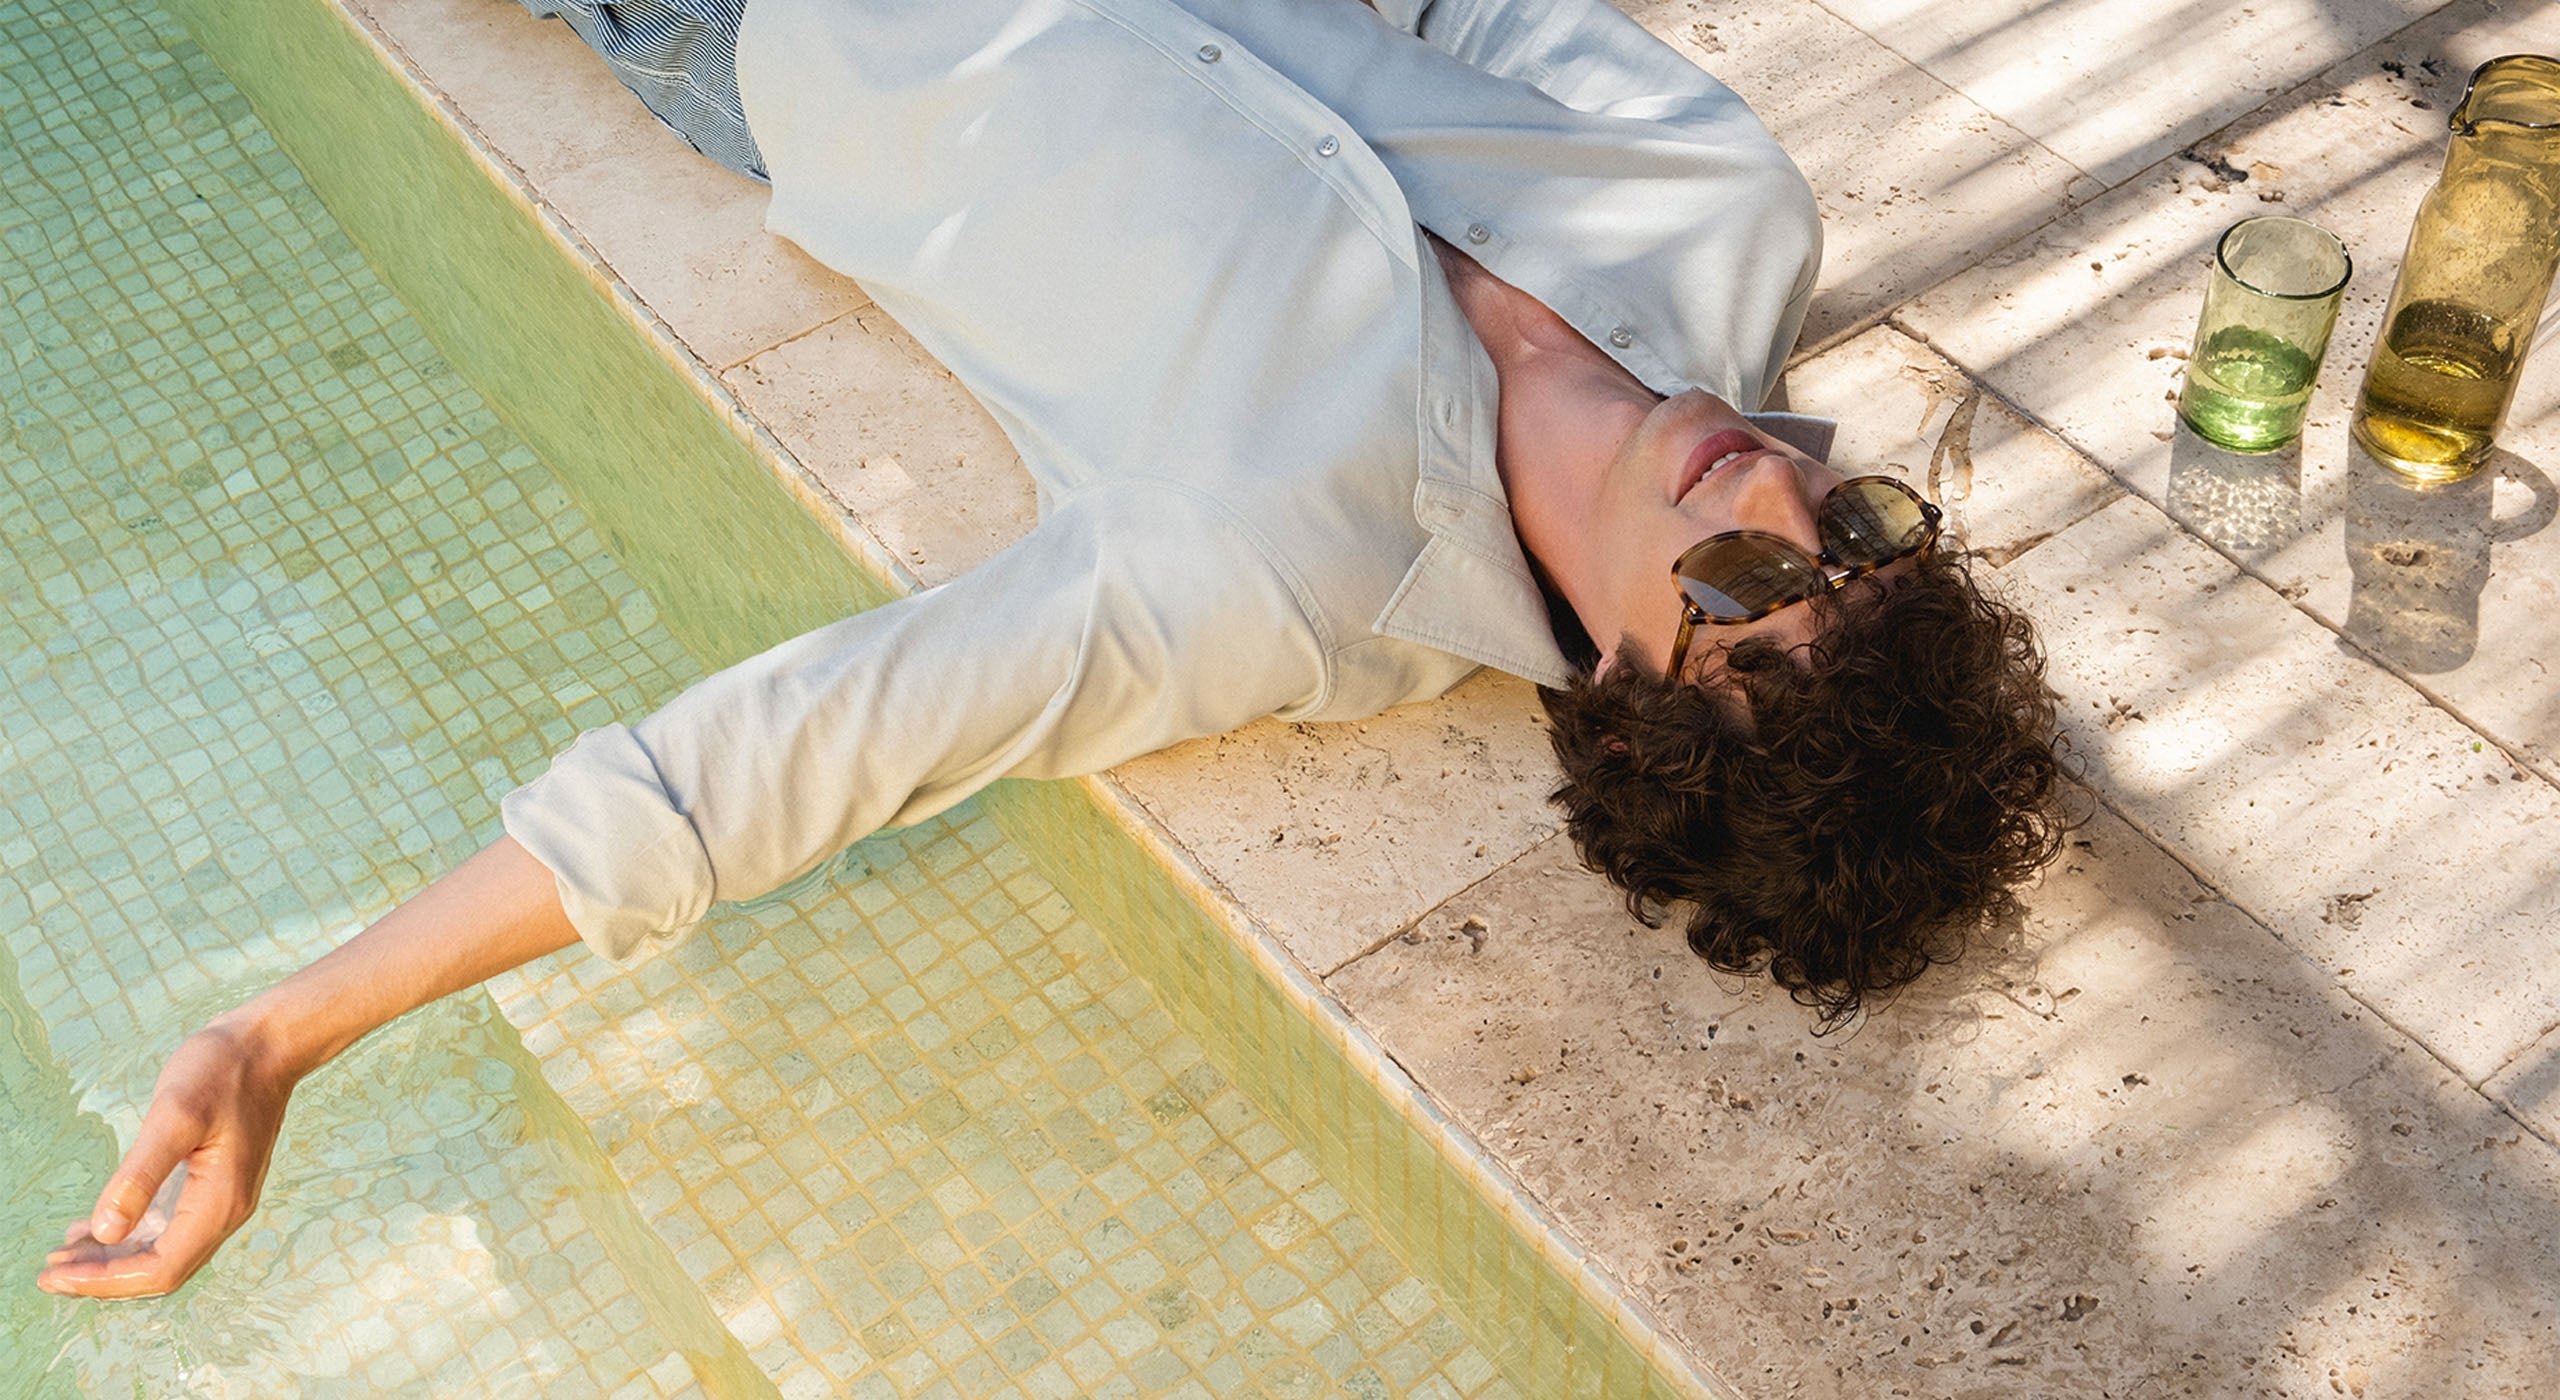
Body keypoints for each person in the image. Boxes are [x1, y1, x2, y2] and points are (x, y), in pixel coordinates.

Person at [36, 0, 2068, 1301]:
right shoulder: (1724, 210)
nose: (1775, 489)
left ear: (1623, 708)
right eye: (1852, 538)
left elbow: (792, 754)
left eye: (1743, 593)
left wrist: (279, 1031)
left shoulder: (1272, 570)